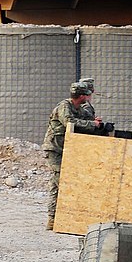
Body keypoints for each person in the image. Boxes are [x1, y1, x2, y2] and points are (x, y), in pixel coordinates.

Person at [42, 82, 102, 230]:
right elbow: (69, 122)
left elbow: (88, 119)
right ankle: (53, 219)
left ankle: (59, 218)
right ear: (81, 96)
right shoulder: (65, 107)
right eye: (87, 94)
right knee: (59, 181)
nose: (89, 97)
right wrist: (92, 124)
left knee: (63, 182)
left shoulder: (78, 108)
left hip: (67, 150)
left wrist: (96, 123)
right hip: (55, 150)